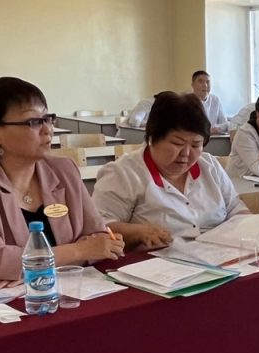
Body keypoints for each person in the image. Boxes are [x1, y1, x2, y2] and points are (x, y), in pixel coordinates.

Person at [0, 77, 124, 285]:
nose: (48, 129)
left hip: (63, 288)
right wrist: (80, 251)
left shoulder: (64, 169)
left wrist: (21, 267)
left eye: (48, 118)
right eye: (34, 122)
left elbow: (99, 238)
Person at [92, 92, 248, 250]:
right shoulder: (123, 173)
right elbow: (99, 227)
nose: (186, 153)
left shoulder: (209, 166)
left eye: (196, 145)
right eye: (177, 143)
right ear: (152, 138)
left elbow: (235, 208)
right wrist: (138, 232)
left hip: (218, 254)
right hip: (157, 260)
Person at [191, 70, 229, 135]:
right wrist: (208, 130)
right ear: (193, 85)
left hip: (214, 137)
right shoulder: (187, 101)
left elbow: (225, 124)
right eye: (200, 81)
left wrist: (215, 128)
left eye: (207, 82)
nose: (205, 85)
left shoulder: (215, 100)